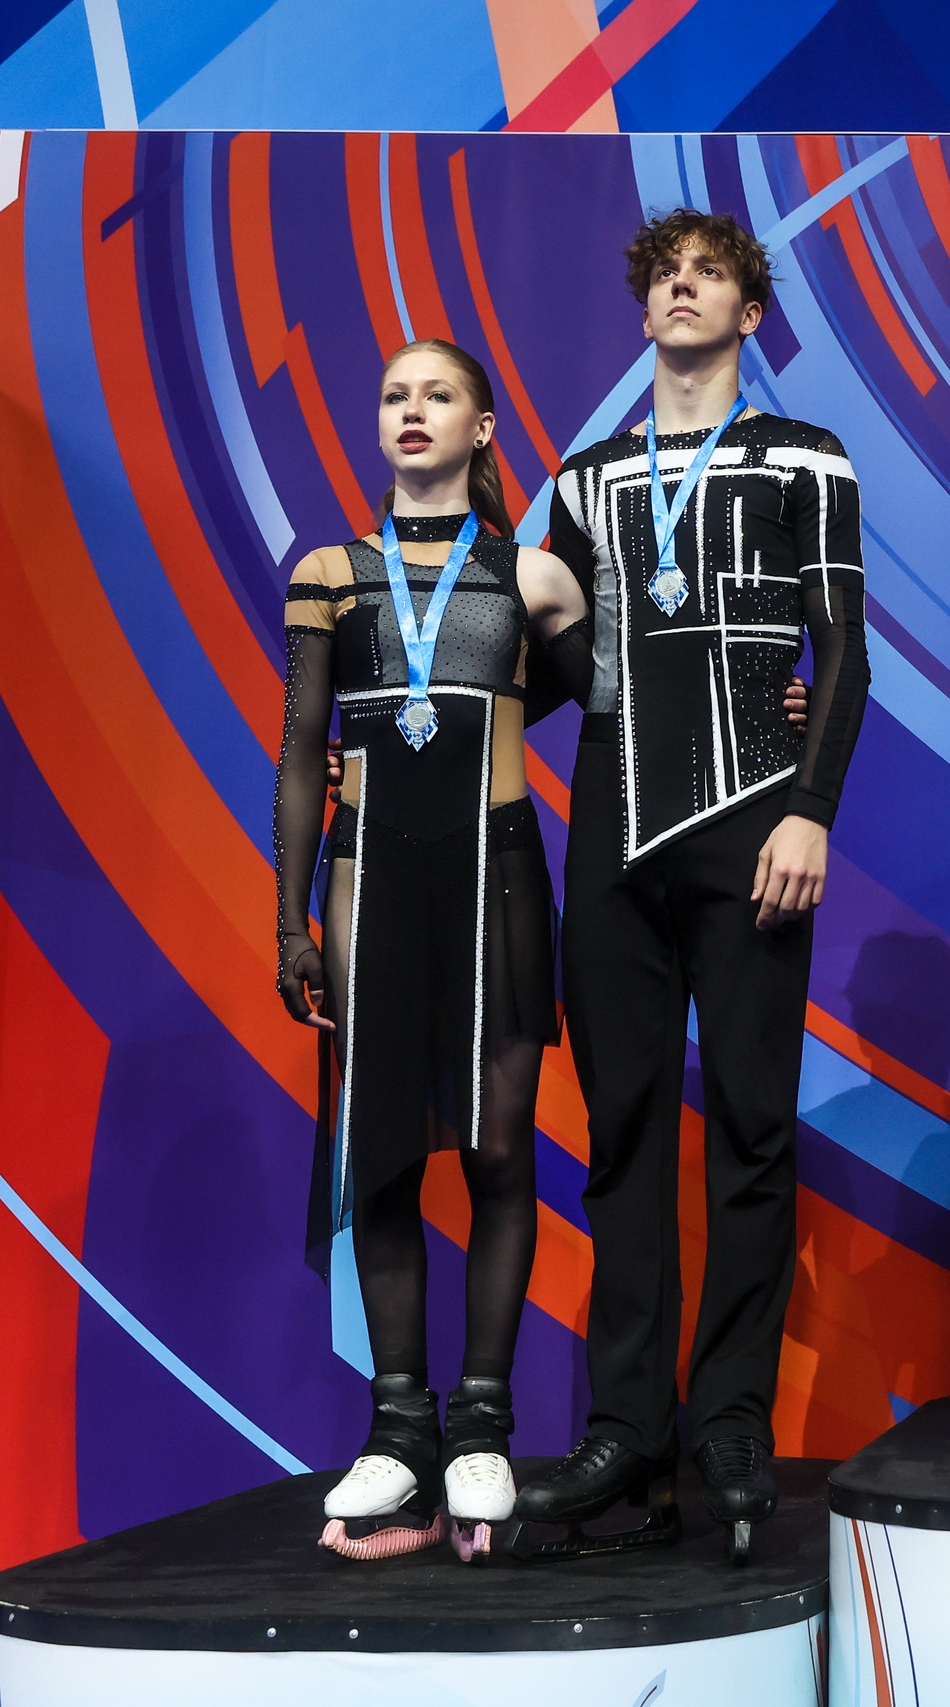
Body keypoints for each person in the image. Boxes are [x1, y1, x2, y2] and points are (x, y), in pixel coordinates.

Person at [512, 210, 868, 1565]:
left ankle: (728, 1424)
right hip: (611, 836)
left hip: (753, 829)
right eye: (664, 273)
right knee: (622, 1136)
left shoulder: (803, 456)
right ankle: (626, 1430)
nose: (681, 287)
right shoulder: (589, 477)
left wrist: (811, 811)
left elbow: (843, 648)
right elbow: (565, 675)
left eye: (709, 273)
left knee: (753, 1130)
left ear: (748, 311)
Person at [273, 340, 593, 1563]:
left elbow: (618, 700)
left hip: (497, 881)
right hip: (368, 886)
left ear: (484, 425)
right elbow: (302, 753)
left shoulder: (534, 576)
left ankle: (482, 1431)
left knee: (500, 1153)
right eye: (394, 395)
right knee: (385, 1161)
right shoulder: (328, 575)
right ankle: (399, 1428)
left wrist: (771, 703)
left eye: (438, 395)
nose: (412, 411)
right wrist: (289, 923)